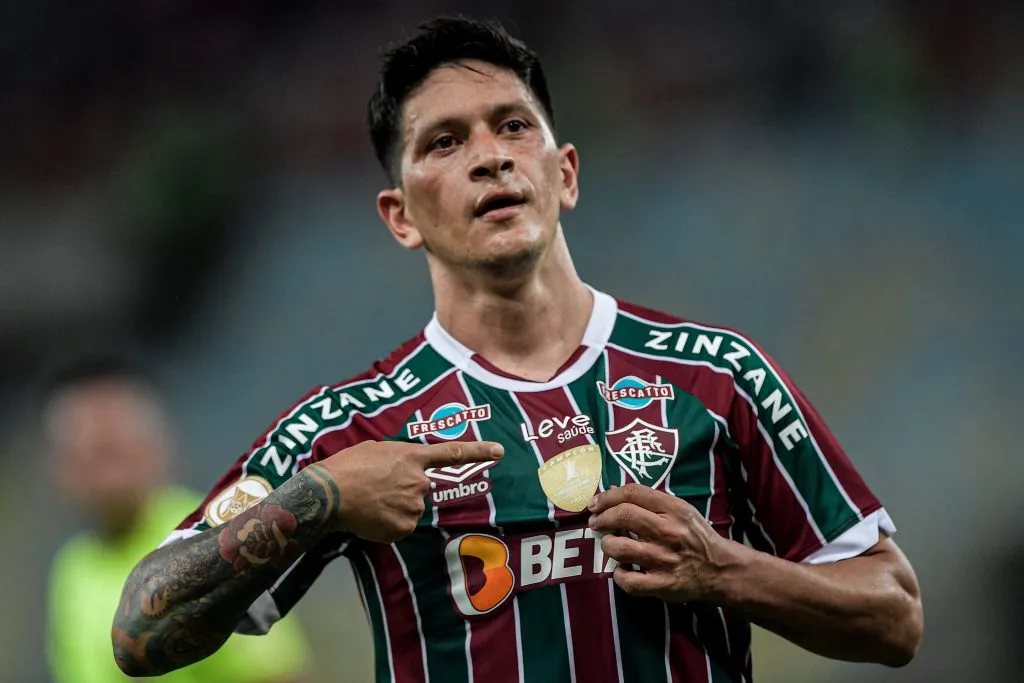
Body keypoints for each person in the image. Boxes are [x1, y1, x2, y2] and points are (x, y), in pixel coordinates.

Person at [112, 15, 923, 683]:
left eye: (512, 127)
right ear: (400, 216)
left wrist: (724, 570)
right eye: (443, 143)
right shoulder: (353, 431)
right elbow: (140, 628)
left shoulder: (716, 376)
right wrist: (318, 496)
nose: (491, 156)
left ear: (564, 172)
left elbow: (894, 612)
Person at [42, 353, 313, 683]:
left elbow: (279, 674)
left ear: (157, 446)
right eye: (90, 451)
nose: (107, 470)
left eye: (115, 446)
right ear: (61, 468)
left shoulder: (209, 537)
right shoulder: (73, 569)